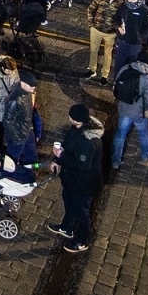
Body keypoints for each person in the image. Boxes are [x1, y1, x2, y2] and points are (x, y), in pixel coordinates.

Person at [47, 104, 102, 253]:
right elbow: (66, 145)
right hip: (72, 180)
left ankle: (82, 241)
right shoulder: (76, 129)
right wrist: (57, 160)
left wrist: (62, 156)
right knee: (69, 201)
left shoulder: (88, 142)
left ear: (75, 119)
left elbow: (82, 165)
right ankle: (67, 227)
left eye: (70, 116)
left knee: (81, 212)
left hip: (84, 184)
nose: (68, 118)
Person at [110, 51, 148, 170]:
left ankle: (115, 160)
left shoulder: (126, 68)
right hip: (140, 113)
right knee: (144, 133)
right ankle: (146, 154)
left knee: (120, 135)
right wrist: (144, 109)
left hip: (124, 109)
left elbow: (116, 86)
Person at [112, 0, 148, 79]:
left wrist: (140, 37)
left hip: (135, 44)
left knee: (132, 65)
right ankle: (117, 82)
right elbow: (116, 19)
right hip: (122, 41)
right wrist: (118, 28)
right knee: (119, 64)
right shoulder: (123, 6)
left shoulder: (144, 10)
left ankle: (129, 83)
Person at [3, 71, 39, 165]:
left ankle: (28, 167)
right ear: (23, 83)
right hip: (18, 136)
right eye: (31, 86)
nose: (33, 88)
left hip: (27, 130)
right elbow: (7, 121)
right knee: (12, 160)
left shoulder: (27, 93)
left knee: (31, 154)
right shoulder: (14, 100)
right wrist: (16, 138)